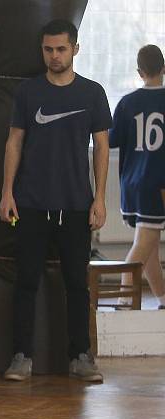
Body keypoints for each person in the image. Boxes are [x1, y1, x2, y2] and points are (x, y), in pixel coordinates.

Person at [0, 19, 111, 382]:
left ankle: (81, 356)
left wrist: (100, 199)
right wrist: (7, 192)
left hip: (77, 204)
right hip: (31, 203)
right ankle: (21, 356)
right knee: (26, 281)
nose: (54, 56)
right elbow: (14, 142)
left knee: (77, 284)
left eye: (61, 49)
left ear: (75, 49)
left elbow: (102, 147)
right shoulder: (29, 93)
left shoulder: (92, 93)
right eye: (48, 49)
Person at [109, 44, 165, 310]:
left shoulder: (127, 102)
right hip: (158, 183)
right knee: (143, 247)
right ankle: (123, 301)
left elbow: (111, 140)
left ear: (139, 71)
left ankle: (163, 300)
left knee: (149, 246)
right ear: (164, 68)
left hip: (132, 185)